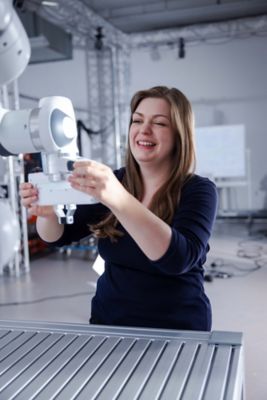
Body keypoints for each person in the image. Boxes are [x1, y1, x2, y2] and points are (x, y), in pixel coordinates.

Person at [20, 86, 218, 331]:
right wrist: (48, 213)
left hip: (178, 329)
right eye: (137, 120)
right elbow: (58, 236)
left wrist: (118, 198)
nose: (144, 130)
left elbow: (178, 259)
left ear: (180, 134)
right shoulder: (114, 181)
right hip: (109, 324)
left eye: (159, 123)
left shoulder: (198, 190)